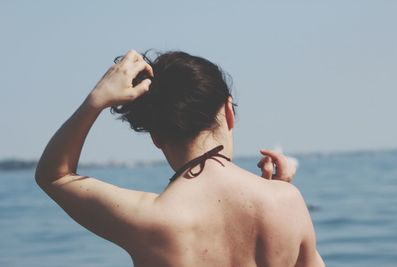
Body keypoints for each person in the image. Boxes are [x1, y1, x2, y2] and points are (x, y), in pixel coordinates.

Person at [35, 50, 325, 267]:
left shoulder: (149, 219)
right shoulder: (288, 201)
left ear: (156, 138)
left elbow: (54, 175)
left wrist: (96, 100)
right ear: (228, 111)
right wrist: (278, 191)